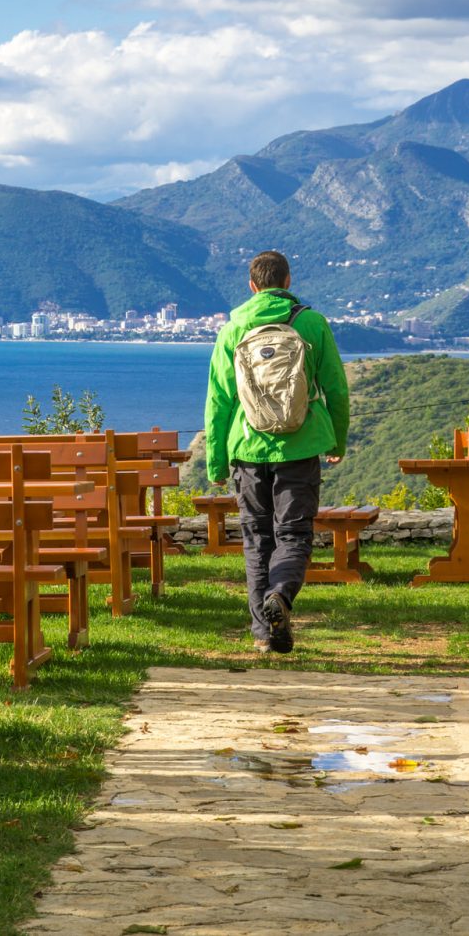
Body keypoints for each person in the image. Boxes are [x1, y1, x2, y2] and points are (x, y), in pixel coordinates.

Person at [204, 250, 349, 653]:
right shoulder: (312, 322)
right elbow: (336, 387)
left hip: (247, 449)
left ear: (252, 286)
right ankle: (281, 597)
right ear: (287, 282)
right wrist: (337, 439)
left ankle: (263, 635)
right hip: (301, 445)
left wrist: (216, 459)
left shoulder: (233, 328)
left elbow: (218, 401)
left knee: (256, 538)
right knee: (294, 533)